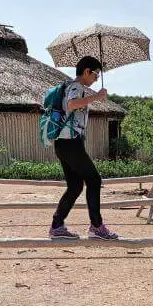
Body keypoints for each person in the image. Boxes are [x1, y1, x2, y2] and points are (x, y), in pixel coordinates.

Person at [49, 56, 119, 240]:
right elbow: (72, 105)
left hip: (64, 143)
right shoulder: (76, 87)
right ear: (87, 71)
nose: (97, 78)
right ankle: (96, 226)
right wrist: (97, 96)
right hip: (70, 143)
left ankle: (57, 225)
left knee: (75, 186)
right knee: (94, 180)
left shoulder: (71, 87)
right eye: (96, 74)